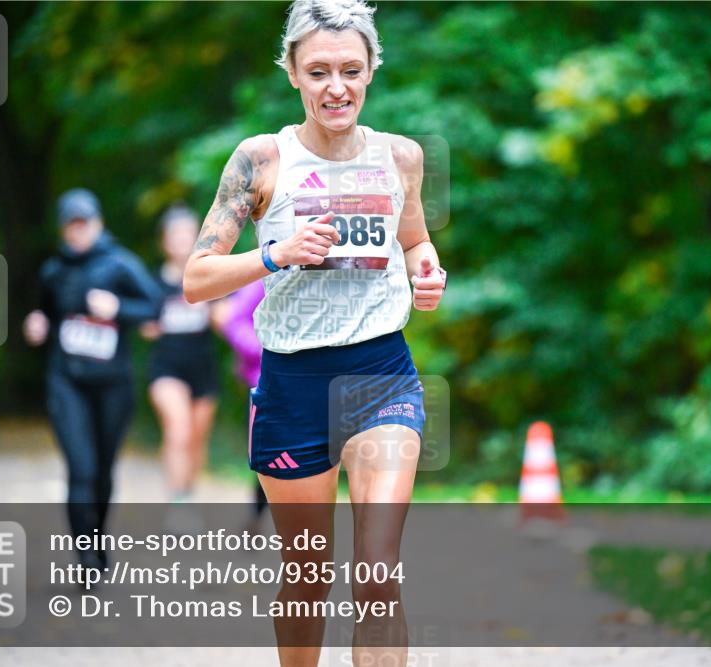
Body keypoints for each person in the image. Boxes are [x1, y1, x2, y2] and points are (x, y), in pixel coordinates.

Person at [182, 1, 446, 664]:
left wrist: (426, 267)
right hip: (292, 384)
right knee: (306, 576)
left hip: (382, 375)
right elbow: (197, 278)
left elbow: (414, 239)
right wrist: (277, 253)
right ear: (293, 74)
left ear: (371, 71)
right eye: (320, 70)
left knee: (378, 572)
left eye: (351, 70)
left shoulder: (401, 159)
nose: (337, 86)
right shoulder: (261, 161)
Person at [23, 188, 163, 573]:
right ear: (63, 229)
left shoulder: (120, 265)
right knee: (80, 469)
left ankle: (98, 536)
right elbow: (45, 314)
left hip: (113, 384)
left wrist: (118, 308)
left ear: (98, 224)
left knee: (102, 472)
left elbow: (155, 306)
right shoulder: (53, 271)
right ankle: (85, 557)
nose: (78, 232)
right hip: (67, 382)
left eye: (84, 224)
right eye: (71, 225)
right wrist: (38, 324)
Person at [140, 205, 220, 511]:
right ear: (164, 241)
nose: (181, 241)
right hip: (166, 368)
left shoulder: (209, 277)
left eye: (188, 234)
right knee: (178, 429)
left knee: (196, 440)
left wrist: (212, 311)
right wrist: (150, 323)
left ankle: (187, 492)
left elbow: (226, 320)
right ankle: (177, 502)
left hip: (203, 367)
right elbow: (144, 324)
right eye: (175, 235)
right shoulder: (152, 283)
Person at [209, 280, 267, 529]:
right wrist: (267, 350)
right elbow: (235, 320)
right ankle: (257, 515)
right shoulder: (268, 274)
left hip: (325, 379)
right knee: (266, 455)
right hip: (267, 381)